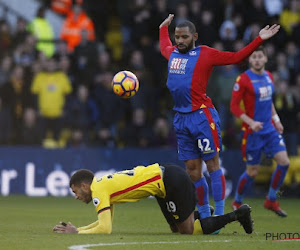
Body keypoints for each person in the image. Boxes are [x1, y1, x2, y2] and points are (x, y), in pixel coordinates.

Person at [159, 14, 280, 221]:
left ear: (194, 36)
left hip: (202, 117)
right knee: (192, 170)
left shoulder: (205, 54)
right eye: (177, 37)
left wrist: (259, 39)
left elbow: (236, 57)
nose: (179, 41)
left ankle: (221, 213)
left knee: (212, 165)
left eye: (184, 37)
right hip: (180, 118)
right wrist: (163, 28)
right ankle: (206, 214)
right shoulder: (172, 54)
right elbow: (164, 46)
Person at [53, 163, 253, 234]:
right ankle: (202, 214)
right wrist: (78, 229)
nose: (76, 197)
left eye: (75, 192)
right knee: (175, 228)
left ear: (84, 186)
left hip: (170, 182)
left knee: (187, 231)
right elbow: (103, 223)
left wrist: (77, 234)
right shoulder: (102, 187)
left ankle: (238, 215)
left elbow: (105, 229)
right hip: (163, 185)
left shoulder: (98, 192)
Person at [230, 46, 290, 217]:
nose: (256, 59)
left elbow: (269, 101)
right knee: (252, 172)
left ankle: (271, 199)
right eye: (253, 56)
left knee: (284, 162)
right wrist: (251, 122)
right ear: (250, 60)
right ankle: (237, 202)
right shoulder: (243, 79)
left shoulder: (269, 76)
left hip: (270, 130)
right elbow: (233, 107)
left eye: (259, 56)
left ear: (265, 59)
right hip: (252, 133)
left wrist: (277, 120)